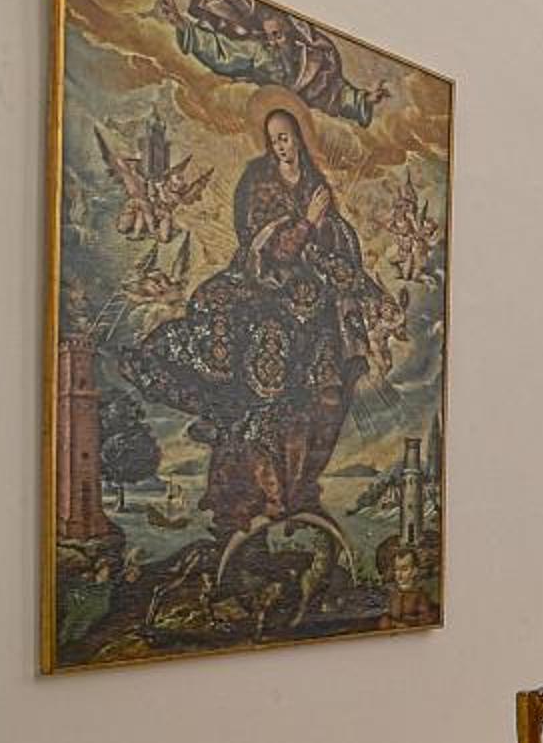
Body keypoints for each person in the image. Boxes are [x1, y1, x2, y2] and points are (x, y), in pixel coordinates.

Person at [130, 104, 389, 540]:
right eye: (274, 140)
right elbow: (265, 247)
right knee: (258, 379)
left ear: (299, 137)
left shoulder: (314, 181)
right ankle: (248, 493)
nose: (281, 147)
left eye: (286, 137)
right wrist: (307, 224)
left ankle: (299, 490)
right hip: (267, 292)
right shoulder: (258, 180)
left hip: (314, 302)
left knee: (325, 398)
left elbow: (336, 238)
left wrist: (326, 236)